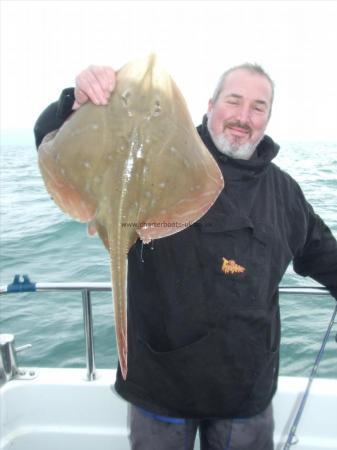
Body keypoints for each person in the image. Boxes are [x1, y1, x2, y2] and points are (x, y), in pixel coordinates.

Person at [34, 62, 337, 450]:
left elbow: (322, 253)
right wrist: (71, 106)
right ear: (209, 105)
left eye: (258, 107)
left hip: (245, 392)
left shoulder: (284, 192)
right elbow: (49, 142)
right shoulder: (157, 151)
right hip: (161, 388)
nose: (243, 117)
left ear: (268, 117)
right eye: (234, 101)